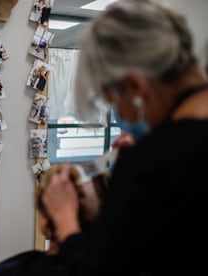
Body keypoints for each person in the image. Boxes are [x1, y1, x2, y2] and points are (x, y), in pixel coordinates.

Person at [38, 0, 208, 275]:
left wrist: (66, 220)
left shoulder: (157, 162)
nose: (119, 114)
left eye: (113, 100)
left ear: (135, 87)